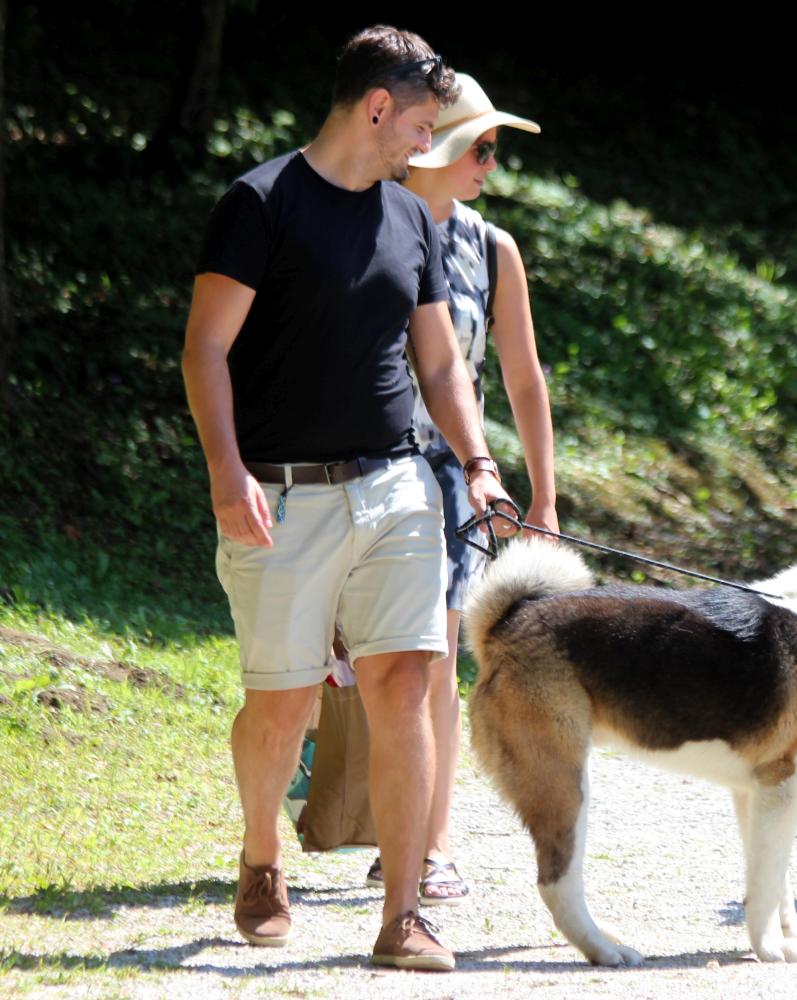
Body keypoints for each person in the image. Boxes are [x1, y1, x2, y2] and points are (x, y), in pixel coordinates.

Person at [182, 26, 517, 971]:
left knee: (408, 682)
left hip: (397, 487)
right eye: (422, 121)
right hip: (280, 496)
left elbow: (440, 361)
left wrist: (479, 460)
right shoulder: (261, 203)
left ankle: (403, 913)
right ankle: (261, 859)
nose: (430, 140)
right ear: (378, 107)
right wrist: (226, 471)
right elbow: (206, 349)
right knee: (280, 704)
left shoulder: (410, 218)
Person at [358, 72, 559, 904]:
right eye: (481, 147)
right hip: (359, 464)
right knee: (359, 663)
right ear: (437, 146)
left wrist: (542, 499)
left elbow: (522, 376)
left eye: (495, 151)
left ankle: (428, 844)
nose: (490, 164)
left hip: (453, 477)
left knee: (437, 658)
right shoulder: (364, 220)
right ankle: (360, 824)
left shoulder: (490, 245)